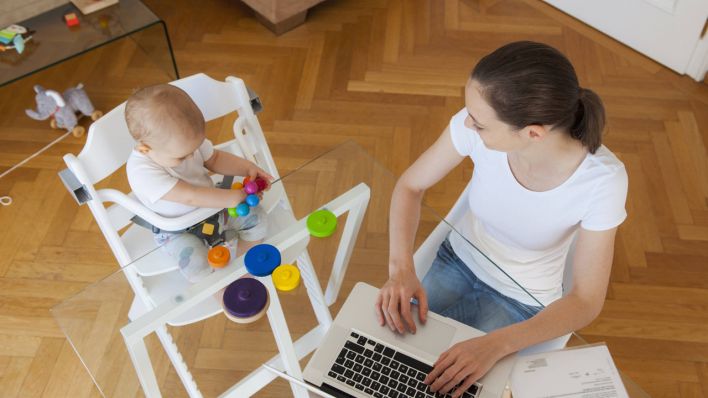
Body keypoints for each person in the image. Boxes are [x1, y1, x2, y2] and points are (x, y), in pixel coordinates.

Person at [375, 41, 628, 397]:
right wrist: (400, 268)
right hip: (457, 259)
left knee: (450, 387)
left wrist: (497, 345)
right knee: (388, 363)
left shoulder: (603, 181)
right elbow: (410, 186)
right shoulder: (475, 128)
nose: (466, 124)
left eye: (479, 124)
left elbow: (586, 299)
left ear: (532, 133)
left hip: (520, 298)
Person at [125, 84, 272, 282]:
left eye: (194, 149)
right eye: (182, 156)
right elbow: (190, 195)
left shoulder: (186, 143)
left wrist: (247, 168)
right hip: (178, 231)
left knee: (257, 219)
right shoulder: (141, 171)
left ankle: (242, 268)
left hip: (215, 210)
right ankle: (222, 294)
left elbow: (216, 159)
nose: (192, 156)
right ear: (145, 149)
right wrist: (231, 198)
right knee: (194, 264)